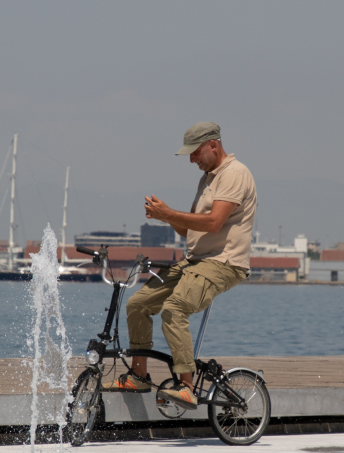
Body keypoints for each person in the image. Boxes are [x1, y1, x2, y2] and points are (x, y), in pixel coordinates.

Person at [101, 122, 257, 410]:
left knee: (174, 309)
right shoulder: (208, 178)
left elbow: (214, 223)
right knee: (138, 305)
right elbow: (191, 232)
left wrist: (170, 212)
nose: (191, 159)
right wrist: (166, 217)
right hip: (194, 261)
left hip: (223, 263)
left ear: (213, 144)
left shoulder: (234, 173)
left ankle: (186, 386)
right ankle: (139, 375)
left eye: (195, 152)